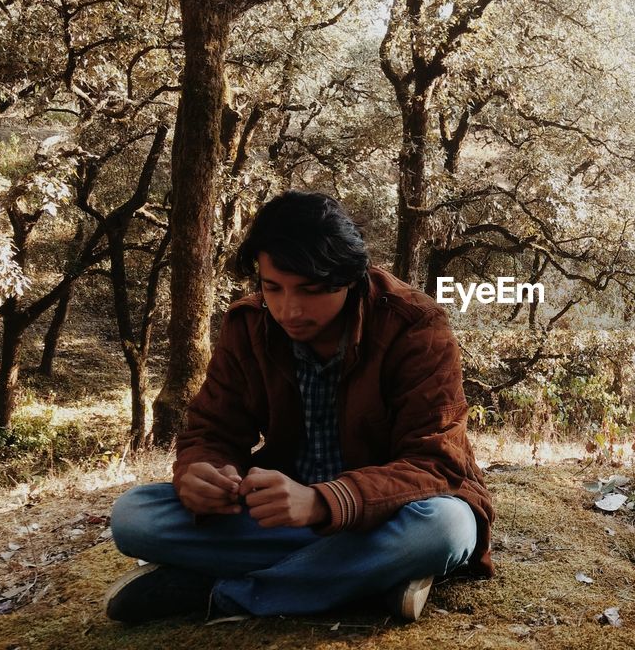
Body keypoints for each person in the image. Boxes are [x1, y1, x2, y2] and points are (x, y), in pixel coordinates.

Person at [104, 190, 494, 623]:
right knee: (134, 517)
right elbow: (212, 430)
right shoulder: (249, 325)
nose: (289, 309)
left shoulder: (415, 326)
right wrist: (203, 471)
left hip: (388, 512)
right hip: (281, 511)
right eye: (273, 287)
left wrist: (324, 501)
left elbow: (435, 464)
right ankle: (366, 577)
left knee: (444, 529)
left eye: (310, 290)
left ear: (348, 277)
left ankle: (222, 596)